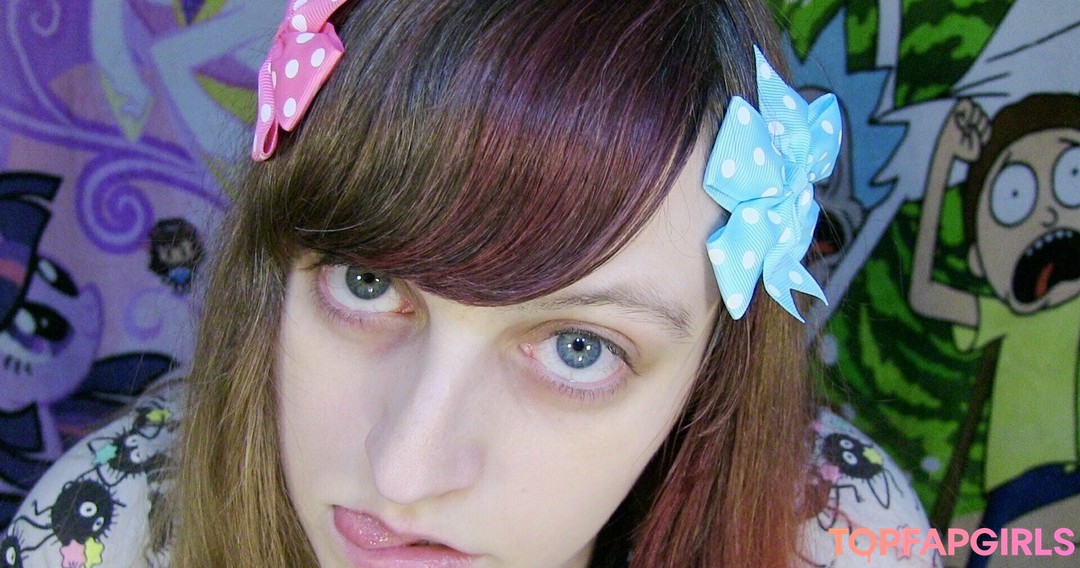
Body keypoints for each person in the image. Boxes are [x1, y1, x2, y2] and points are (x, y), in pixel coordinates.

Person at [4, 0, 934, 566]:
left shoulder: (842, 538)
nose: (404, 472)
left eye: (580, 349)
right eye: (366, 283)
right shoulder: (105, 534)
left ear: (708, 379)